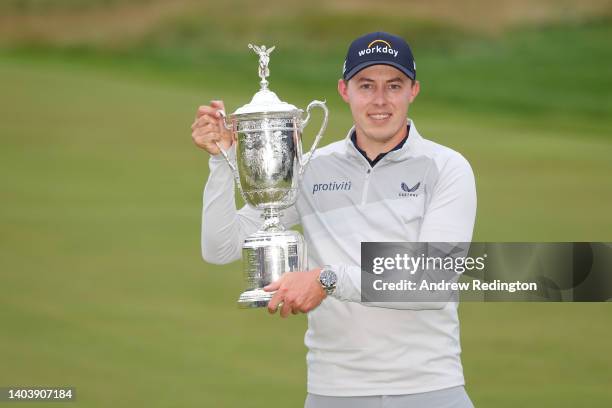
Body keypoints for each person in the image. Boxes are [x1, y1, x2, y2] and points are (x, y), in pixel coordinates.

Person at [192, 32, 477, 408]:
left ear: (413, 90)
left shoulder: (446, 168)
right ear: (344, 90)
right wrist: (221, 161)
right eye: (366, 85)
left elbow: (431, 280)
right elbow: (221, 247)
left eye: (394, 85)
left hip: (429, 388)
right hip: (334, 391)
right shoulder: (310, 167)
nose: (379, 100)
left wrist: (327, 280)